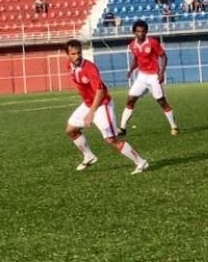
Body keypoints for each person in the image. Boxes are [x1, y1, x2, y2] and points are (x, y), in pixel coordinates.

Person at [63, 39, 149, 175]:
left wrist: (91, 113)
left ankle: (140, 162)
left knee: (111, 139)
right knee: (70, 130)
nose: (77, 56)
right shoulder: (69, 65)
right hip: (88, 104)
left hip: (102, 105)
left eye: (79, 53)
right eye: (73, 54)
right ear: (67, 55)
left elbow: (101, 91)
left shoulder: (89, 67)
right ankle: (89, 156)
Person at [118, 20, 180, 136]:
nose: (141, 33)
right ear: (134, 32)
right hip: (142, 76)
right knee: (130, 99)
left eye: (143, 31)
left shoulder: (153, 42)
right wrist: (131, 70)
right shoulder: (132, 45)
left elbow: (163, 57)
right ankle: (122, 128)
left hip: (153, 76)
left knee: (162, 102)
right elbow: (136, 59)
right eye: (138, 31)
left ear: (146, 32)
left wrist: (161, 73)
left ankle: (174, 126)